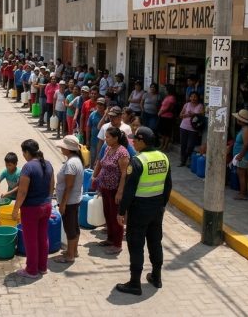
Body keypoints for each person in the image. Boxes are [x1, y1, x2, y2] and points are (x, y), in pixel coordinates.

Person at [115, 127, 172, 295]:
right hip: (156, 209)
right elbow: (168, 186)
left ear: (142, 141)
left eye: (136, 140)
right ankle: (156, 277)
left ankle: (134, 283)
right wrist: (162, 205)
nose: (133, 142)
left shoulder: (138, 161)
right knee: (155, 242)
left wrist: (121, 211)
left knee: (136, 245)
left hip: (139, 210)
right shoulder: (164, 157)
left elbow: (129, 190)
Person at [13, 139, 54, 279]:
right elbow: (51, 187)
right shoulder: (48, 164)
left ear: (27, 152)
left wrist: (15, 209)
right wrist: (47, 202)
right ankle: (42, 267)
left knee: (31, 240)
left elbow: (22, 192)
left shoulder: (28, 167)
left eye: (23, 153)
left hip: (31, 209)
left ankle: (31, 270)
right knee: (43, 237)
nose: (23, 156)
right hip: (46, 206)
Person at [92, 126, 130, 254]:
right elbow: (102, 165)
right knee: (107, 214)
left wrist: (120, 191)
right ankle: (110, 238)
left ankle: (117, 244)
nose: (105, 139)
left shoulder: (122, 152)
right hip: (105, 188)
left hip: (115, 190)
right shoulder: (108, 148)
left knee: (116, 217)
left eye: (108, 137)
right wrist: (97, 182)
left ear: (116, 138)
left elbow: (124, 174)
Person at [53, 135, 84, 264]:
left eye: (63, 147)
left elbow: (69, 186)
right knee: (74, 227)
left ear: (68, 149)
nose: (61, 148)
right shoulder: (75, 160)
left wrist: (63, 204)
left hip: (70, 201)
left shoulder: (71, 163)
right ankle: (74, 251)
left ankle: (70, 256)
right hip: (75, 199)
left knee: (70, 228)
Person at [231, 109, 248, 200]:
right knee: (242, 173)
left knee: (241, 174)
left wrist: (240, 155)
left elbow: (246, 144)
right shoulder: (245, 129)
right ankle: (243, 191)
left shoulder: (246, 130)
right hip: (242, 155)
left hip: (244, 156)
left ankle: (242, 193)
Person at [178, 92, 204, 167]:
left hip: (193, 129)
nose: (193, 98)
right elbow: (180, 115)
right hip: (184, 127)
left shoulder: (200, 106)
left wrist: (194, 114)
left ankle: (186, 158)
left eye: (195, 97)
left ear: (198, 98)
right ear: (189, 98)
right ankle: (183, 161)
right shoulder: (186, 104)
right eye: (191, 97)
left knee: (190, 146)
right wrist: (186, 115)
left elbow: (202, 115)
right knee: (183, 145)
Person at [157, 86, 177, 152]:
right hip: (163, 116)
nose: (165, 91)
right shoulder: (167, 97)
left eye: (166, 89)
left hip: (168, 117)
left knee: (167, 132)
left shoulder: (172, 98)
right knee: (163, 132)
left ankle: (165, 146)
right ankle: (162, 144)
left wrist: (160, 112)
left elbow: (168, 108)